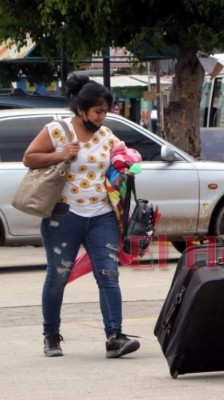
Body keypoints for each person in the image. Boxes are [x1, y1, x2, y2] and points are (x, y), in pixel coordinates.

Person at [23, 74, 140, 359]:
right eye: (98, 111)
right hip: (63, 216)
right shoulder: (58, 131)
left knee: (108, 276)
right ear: (81, 109)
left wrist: (130, 161)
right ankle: (51, 335)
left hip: (102, 215)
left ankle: (115, 337)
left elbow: (121, 162)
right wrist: (60, 154)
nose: (103, 117)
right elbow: (30, 158)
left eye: (105, 111)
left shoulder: (107, 135)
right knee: (58, 276)